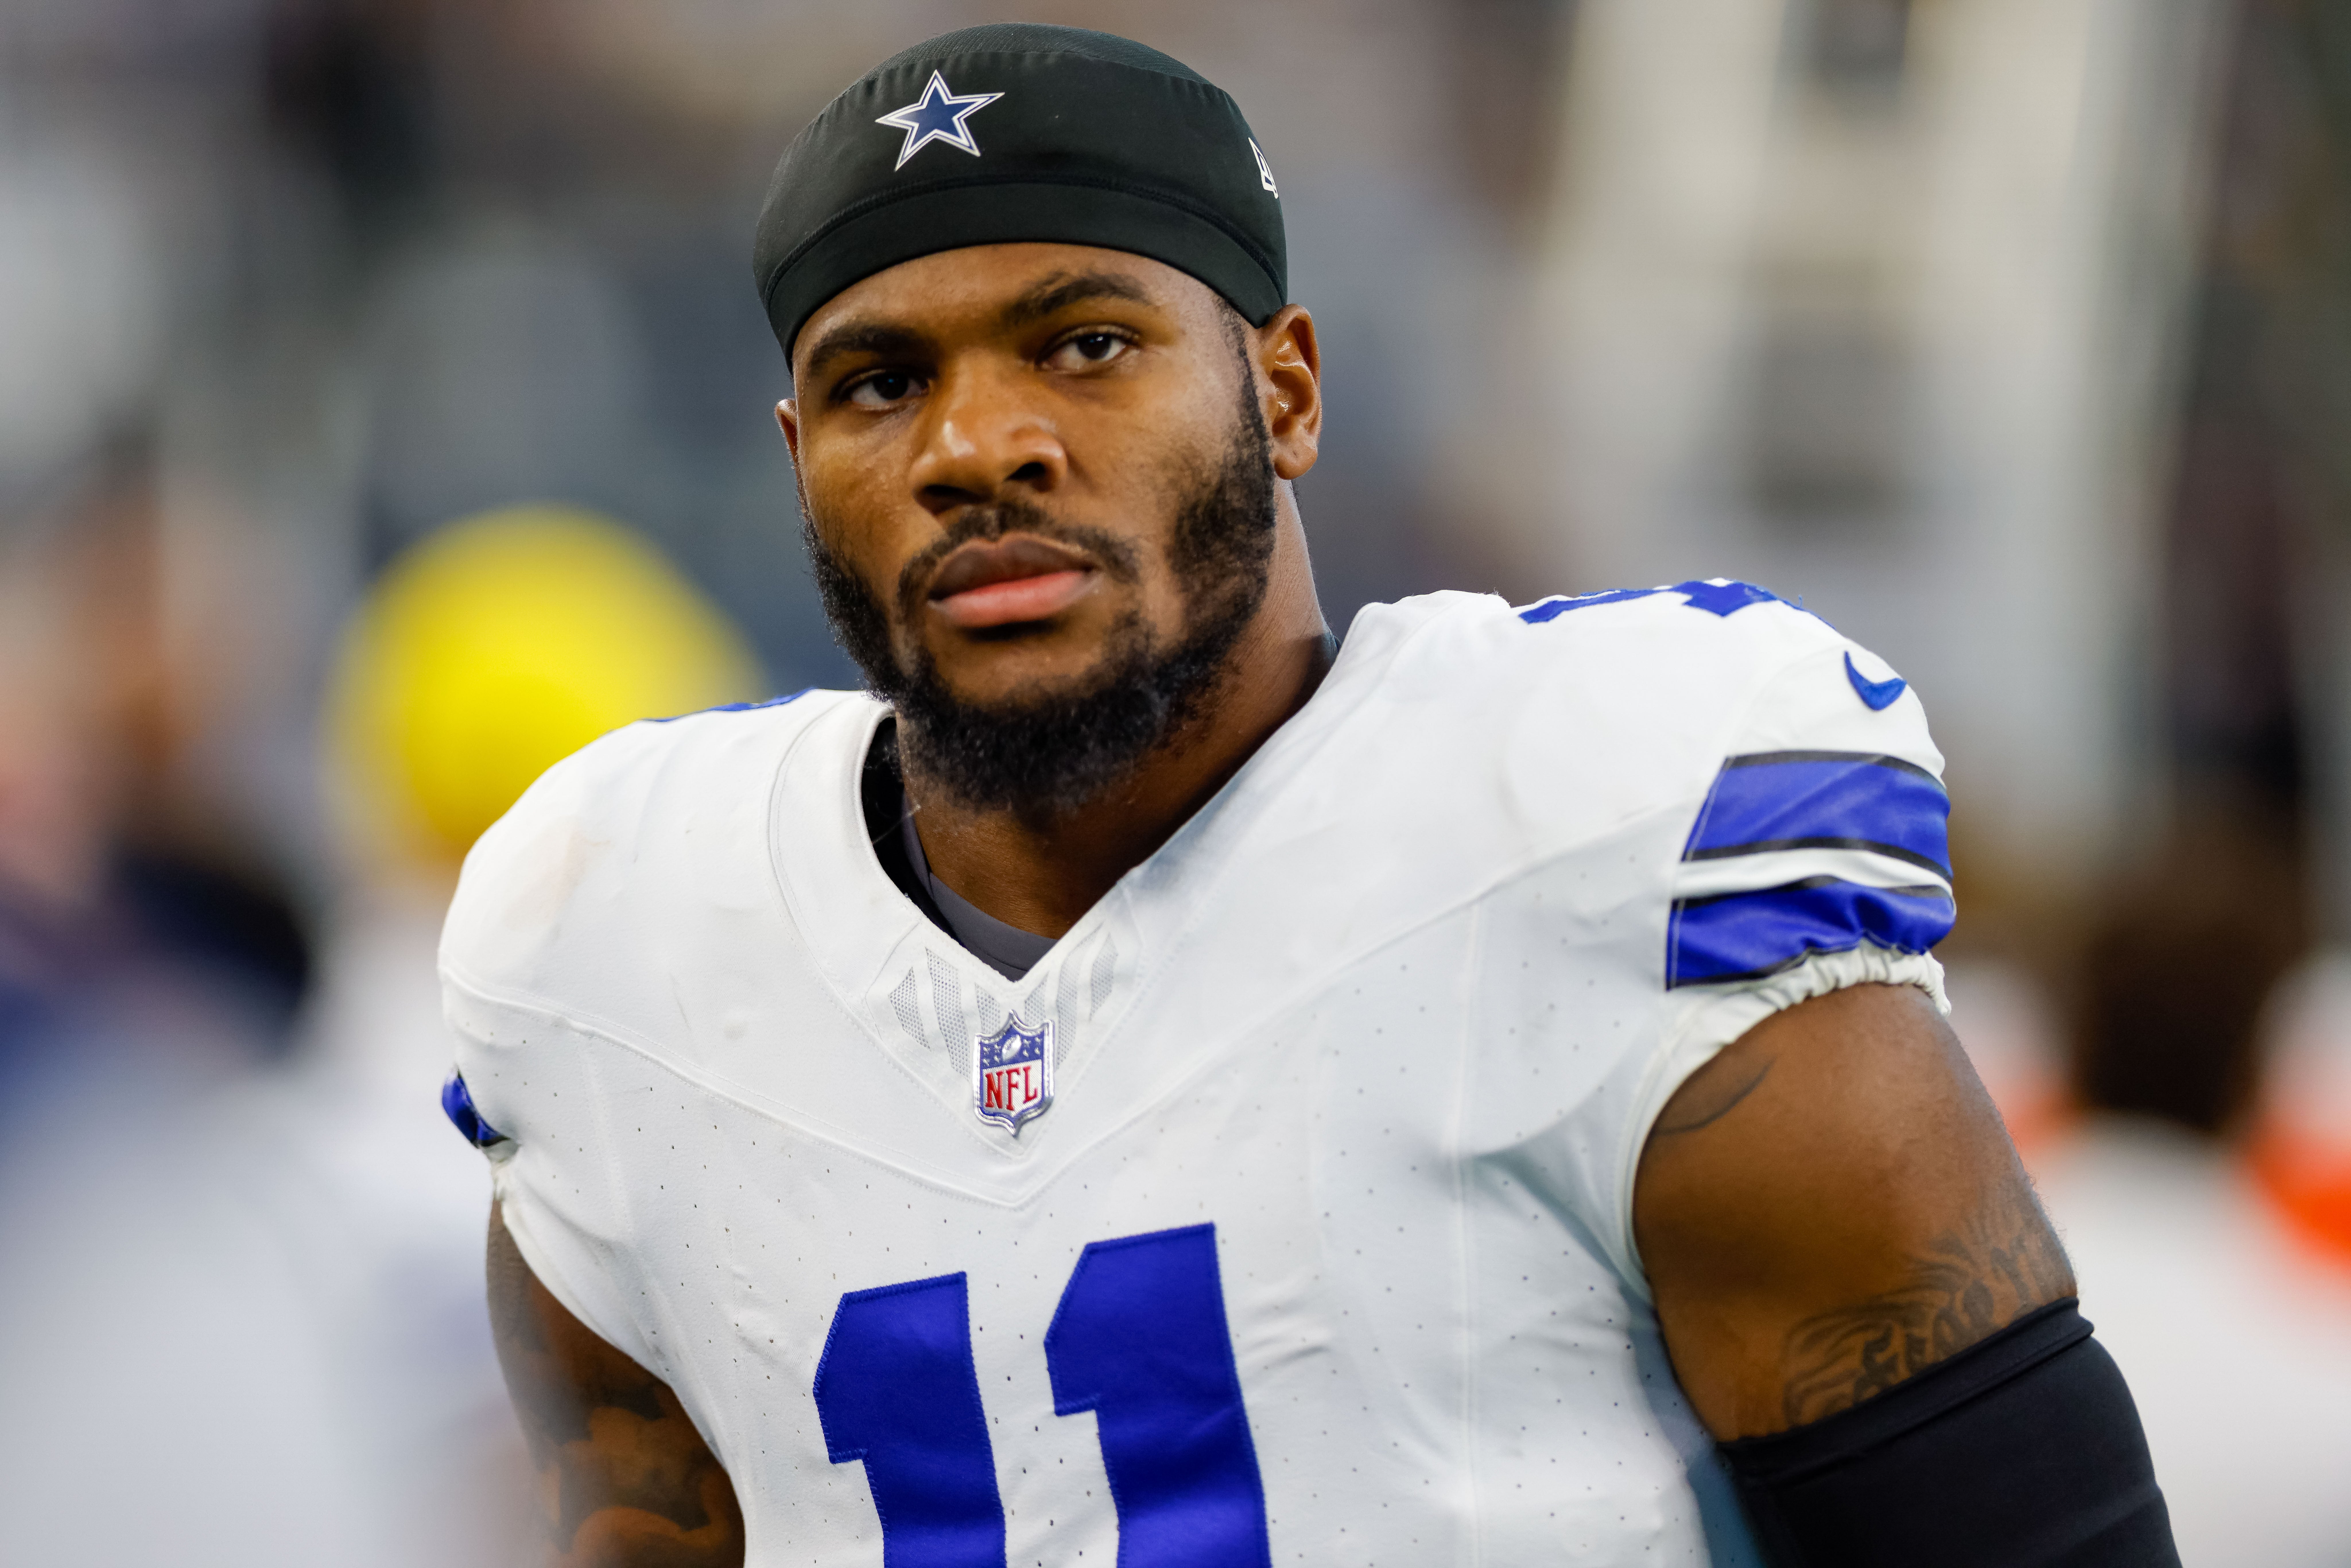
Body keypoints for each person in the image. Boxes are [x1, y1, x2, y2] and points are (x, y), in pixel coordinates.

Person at [440, 24, 2177, 1566]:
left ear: (1285, 392)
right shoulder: (623, 949)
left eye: (1087, 344)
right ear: (798, 457)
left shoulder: (1595, 831)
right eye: (882, 382)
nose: (978, 445)